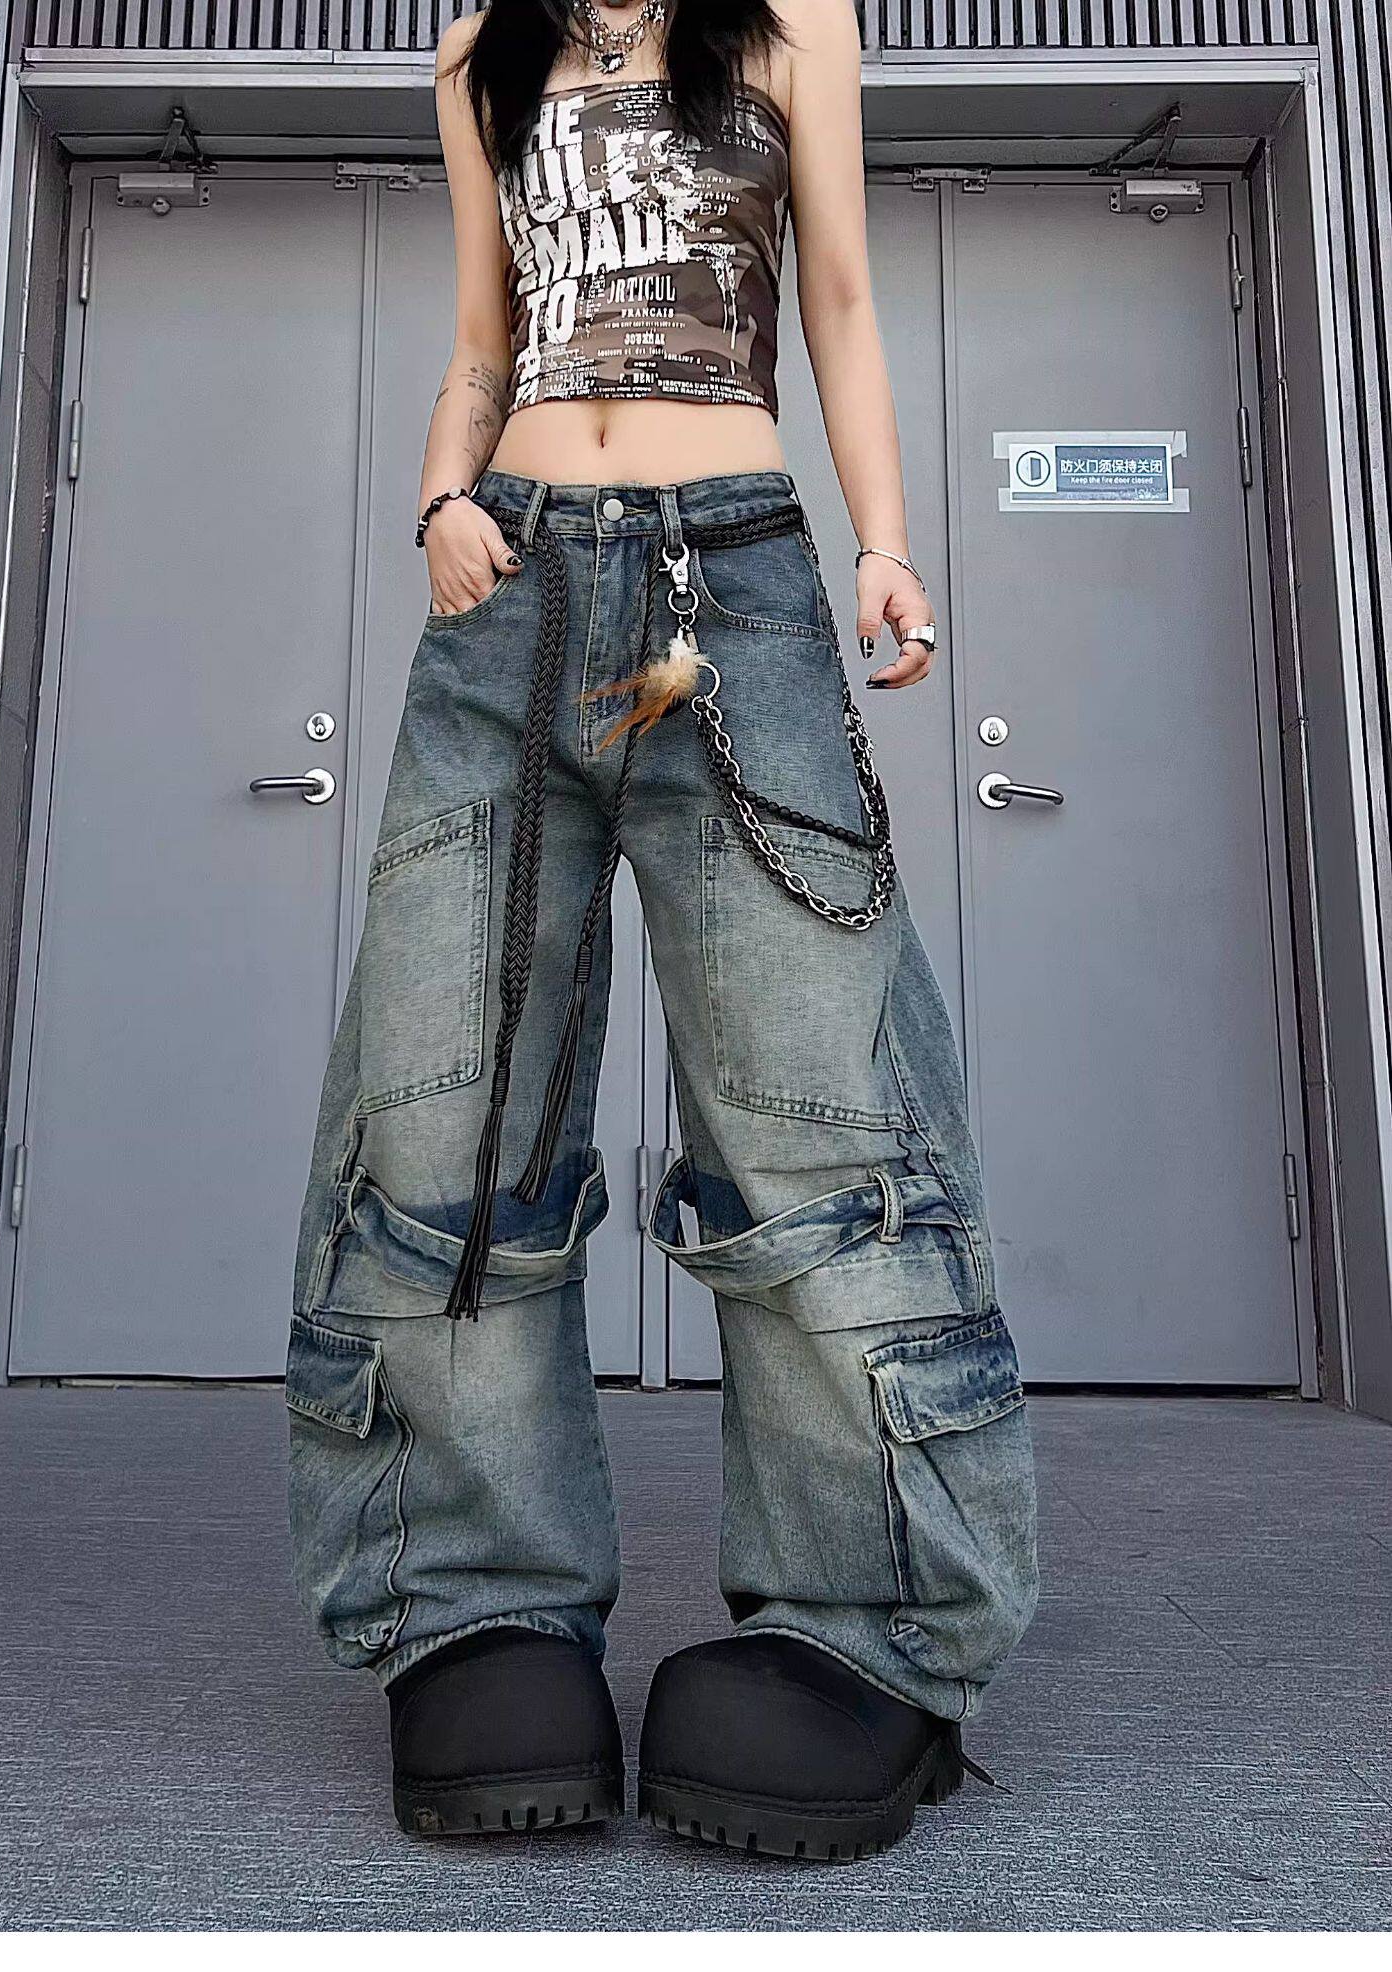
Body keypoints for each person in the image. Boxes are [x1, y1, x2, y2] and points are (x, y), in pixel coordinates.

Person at [285, 0, 1038, 1863]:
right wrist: (438, 498)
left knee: (812, 1100)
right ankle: (480, 1602)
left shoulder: (792, 23)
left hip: (735, 576)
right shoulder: (477, 50)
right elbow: (484, 339)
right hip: (510, 588)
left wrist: (885, 541)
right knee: (444, 1101)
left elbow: (837, 295)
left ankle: (866, 1620)